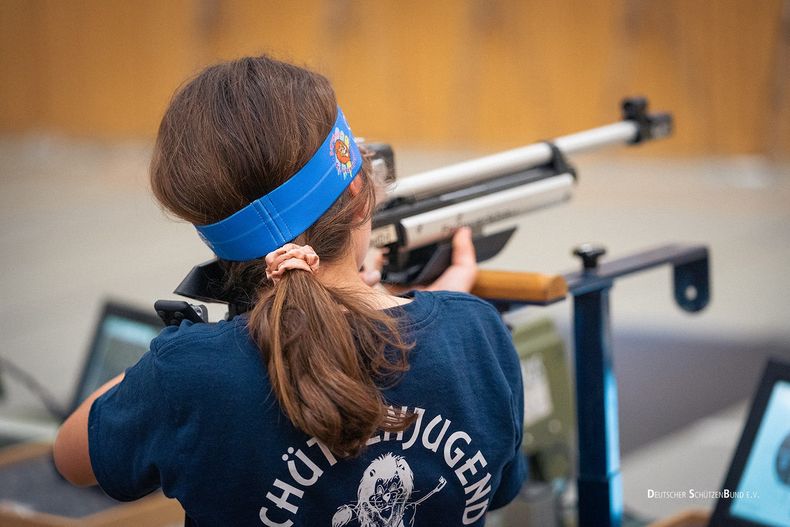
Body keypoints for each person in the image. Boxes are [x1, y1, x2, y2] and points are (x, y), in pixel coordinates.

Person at [53, 55, 525, 526]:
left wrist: (170, 360)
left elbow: (70, 458)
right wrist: (443, 310)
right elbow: (498, 490)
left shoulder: (188, 375)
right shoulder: (475, 332)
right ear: (359, 196)